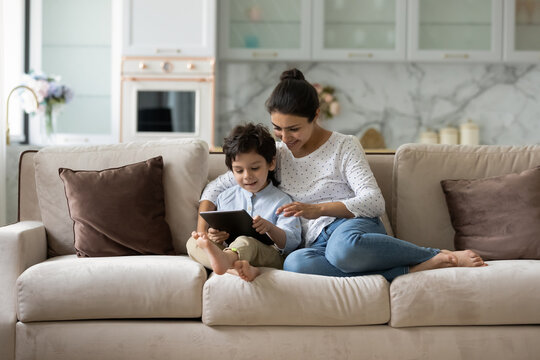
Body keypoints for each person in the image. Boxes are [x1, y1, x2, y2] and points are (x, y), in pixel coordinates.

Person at [199, 68, 486, 282]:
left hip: (352, 229)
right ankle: (411, 269)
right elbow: (215, 188)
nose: (285, 137)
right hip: (314, 245)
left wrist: (317, 209)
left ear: (316, 114)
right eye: (278, 128)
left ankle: (432, 252)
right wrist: (204, 232)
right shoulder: (274, 154)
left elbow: (374, 202)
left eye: (294, 129)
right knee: (295, 266)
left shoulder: (344, 145)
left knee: (344, 250)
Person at [187, 123, 301, 281]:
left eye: (254, 168)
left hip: (268, 255)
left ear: (271, 164)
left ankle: (227, 264)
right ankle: (236, 269)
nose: (247, 176)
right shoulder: (225, 197)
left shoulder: (282, 200)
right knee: (193, 243)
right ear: (231, 170)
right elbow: (220, 233)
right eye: (239, 170)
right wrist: (215, 236)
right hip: (231, 250)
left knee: (246, 241)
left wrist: (270, 228)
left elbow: (292, 242)